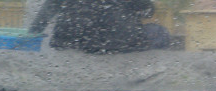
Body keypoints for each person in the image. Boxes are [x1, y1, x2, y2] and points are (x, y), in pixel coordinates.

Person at [28, 0, 167, 54]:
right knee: (160, 32)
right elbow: (148, 12)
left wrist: (32, 33)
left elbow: (45, 14)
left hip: (69, 41)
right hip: (117, 45)